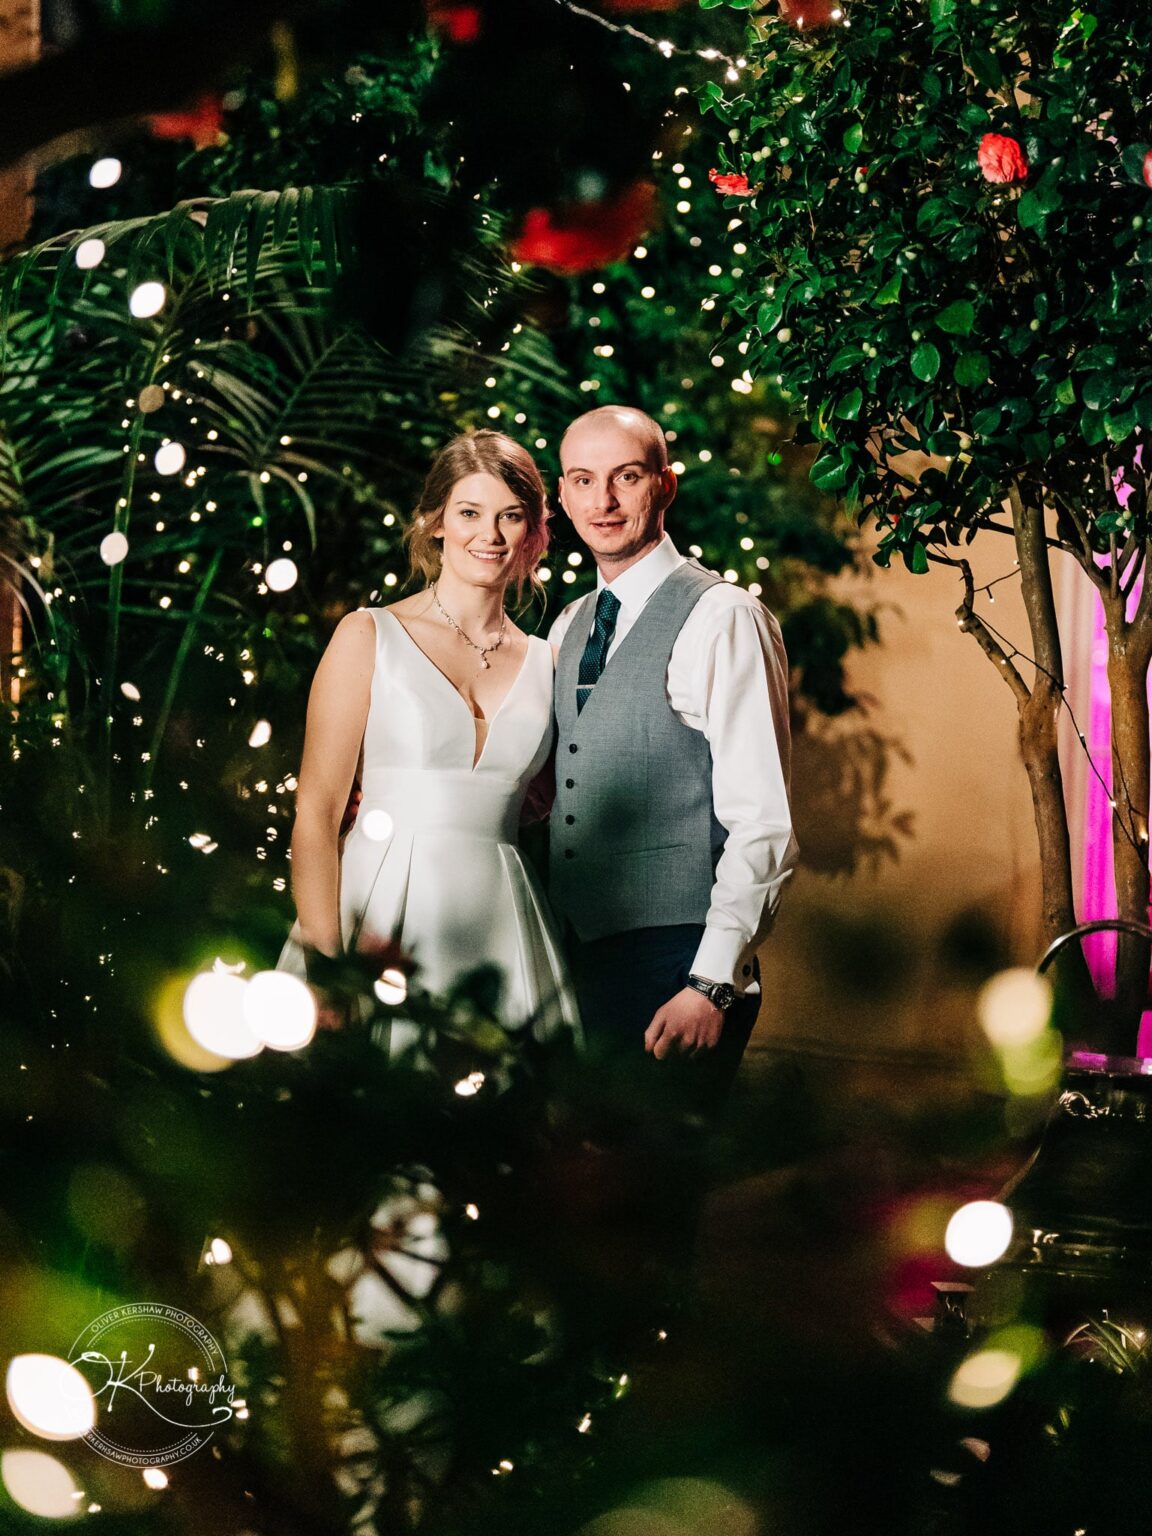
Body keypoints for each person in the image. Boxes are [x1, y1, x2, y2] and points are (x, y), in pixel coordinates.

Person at [277, 430, 579, 1041]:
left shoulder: (550, 662)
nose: (489, 535)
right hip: (378, 907)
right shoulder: (368, 636)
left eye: (510, 516)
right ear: (436, 521)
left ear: (533, 531)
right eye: (469, 513)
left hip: (504, 915)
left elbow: (552, 800)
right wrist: (329, 971)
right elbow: (316, 812)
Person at [548, 405, 798, 1112]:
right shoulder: (567, 625)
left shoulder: (724, 617)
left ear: (666, 484)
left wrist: (711, 983)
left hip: (679, 968)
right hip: (574, 958)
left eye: (626, 476)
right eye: (582, 480)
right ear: (561, 495)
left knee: (657, 1176)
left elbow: (764, 823)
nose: (603, 501)